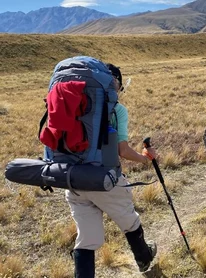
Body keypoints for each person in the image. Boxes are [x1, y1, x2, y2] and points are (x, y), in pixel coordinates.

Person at [66, 63, 157, 277]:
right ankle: (144, 258)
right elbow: (122, 150)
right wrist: (145, 159)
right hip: (105, 179)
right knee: (130, 221)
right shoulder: (117, 109)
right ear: (115, 85)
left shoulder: (75, 103)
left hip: (72, 179)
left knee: (86, 239)